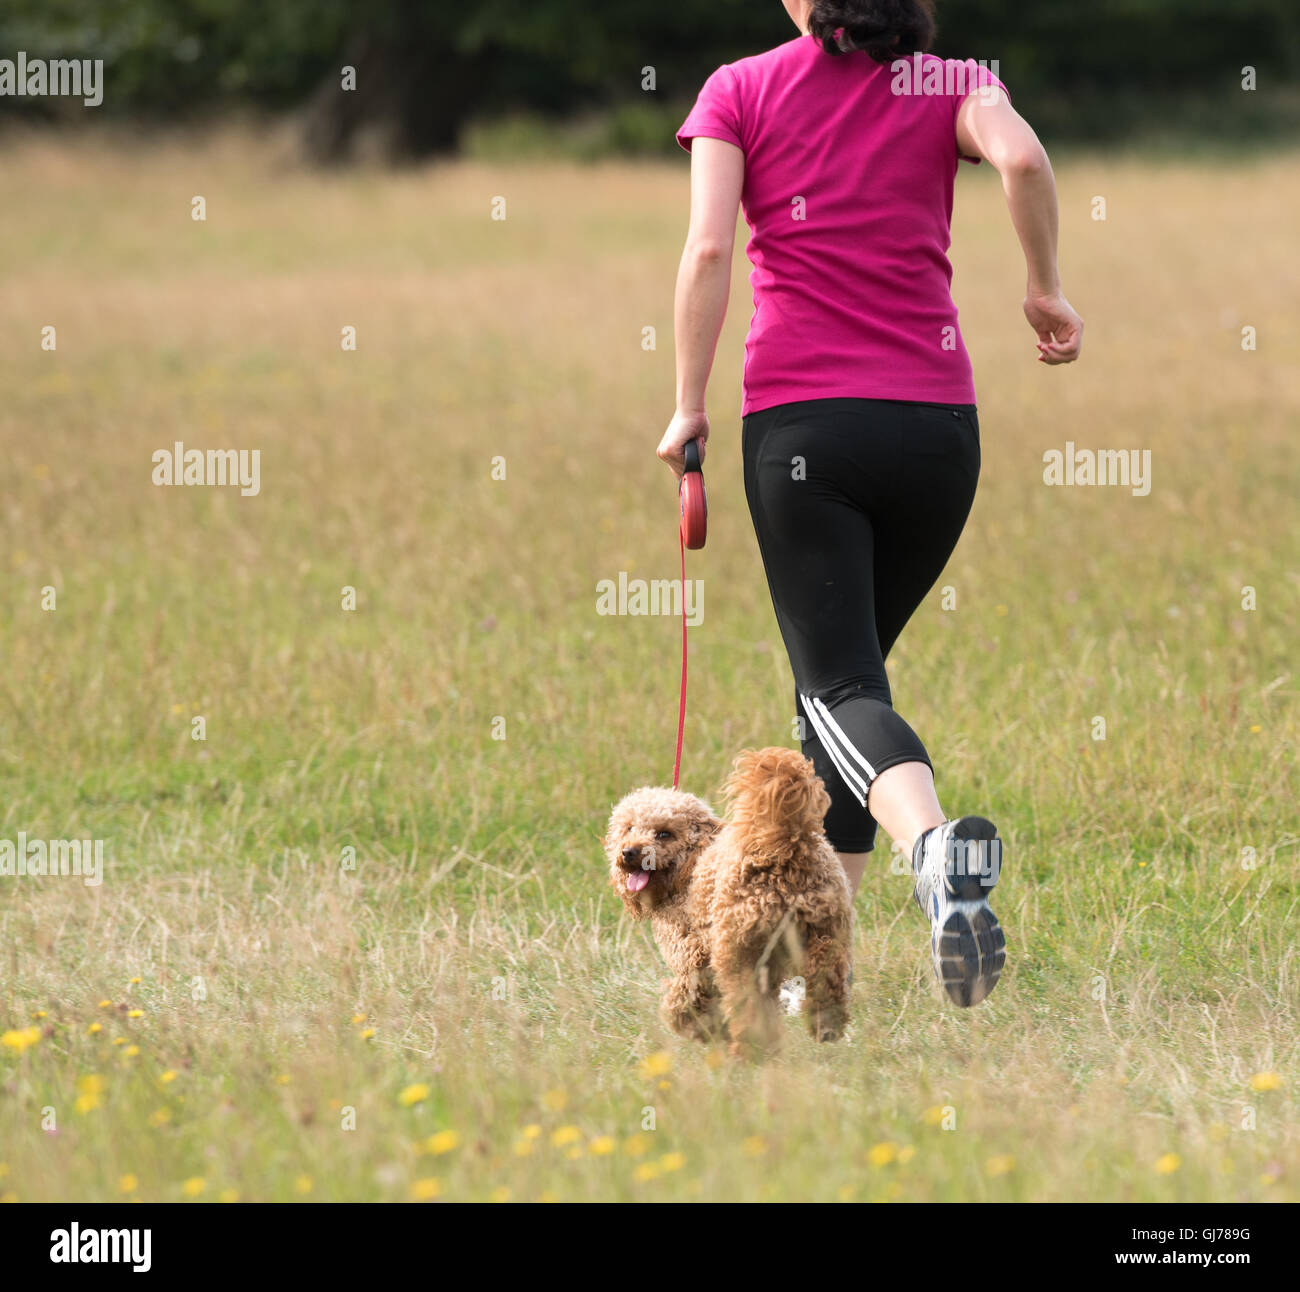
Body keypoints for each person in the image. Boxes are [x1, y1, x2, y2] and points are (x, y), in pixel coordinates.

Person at [656, 0, 1082, 1006]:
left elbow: (709, 253)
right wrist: (1043, 286)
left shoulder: (739, 87)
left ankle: (935, 855)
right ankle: (814, 969)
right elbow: (1021, 162)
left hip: (807, 429)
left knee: (835, 690)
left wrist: (685, 406)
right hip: (938, 432)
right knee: (850, 699)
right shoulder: (949, 78)